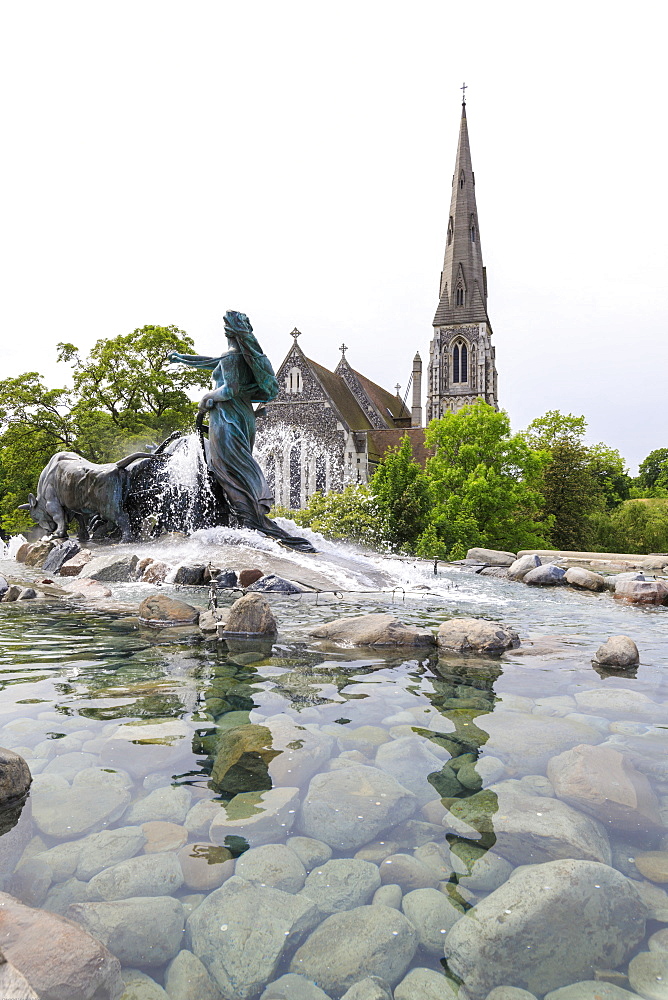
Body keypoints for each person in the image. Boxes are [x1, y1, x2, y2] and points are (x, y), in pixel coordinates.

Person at [168, 311, 315, 553]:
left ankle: (251, 521)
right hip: (242, 416)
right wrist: (182, 359)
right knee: (235, 466)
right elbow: (212, 362)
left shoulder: (231, 356)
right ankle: (248, 518)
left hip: (226, 419)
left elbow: (230, 389)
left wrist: (206, 397)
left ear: (227, 330)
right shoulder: (240, 356)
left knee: (228, 469)